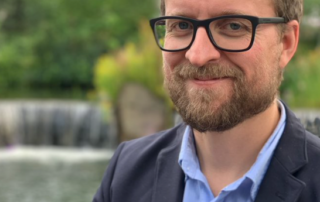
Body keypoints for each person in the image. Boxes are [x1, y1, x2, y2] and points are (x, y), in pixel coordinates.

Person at [93, 0, 320, 201]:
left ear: (286, 43)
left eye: (233, 26)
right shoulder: (126, 171)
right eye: (181, 25)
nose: (198, 55)